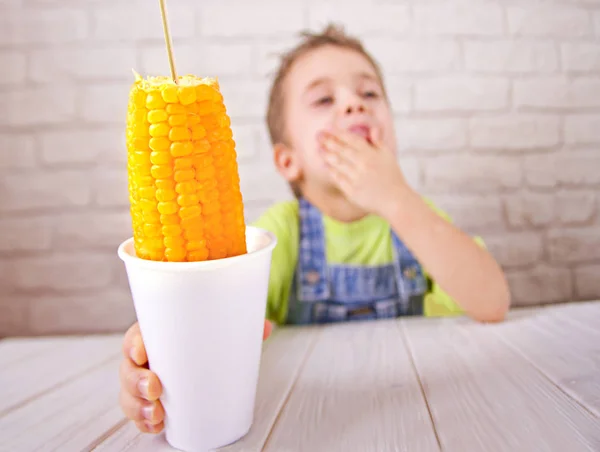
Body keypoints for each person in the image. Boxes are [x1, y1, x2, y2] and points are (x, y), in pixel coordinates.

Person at [118, 23, 511, 434]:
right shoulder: (281, 233)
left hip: (415, 419)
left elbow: (493, 302)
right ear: (288, 161)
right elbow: (216, 327)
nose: (354, 105)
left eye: (370, 94)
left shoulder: (418, 220)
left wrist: (396, 198)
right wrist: (159, 352)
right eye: (324, 99)